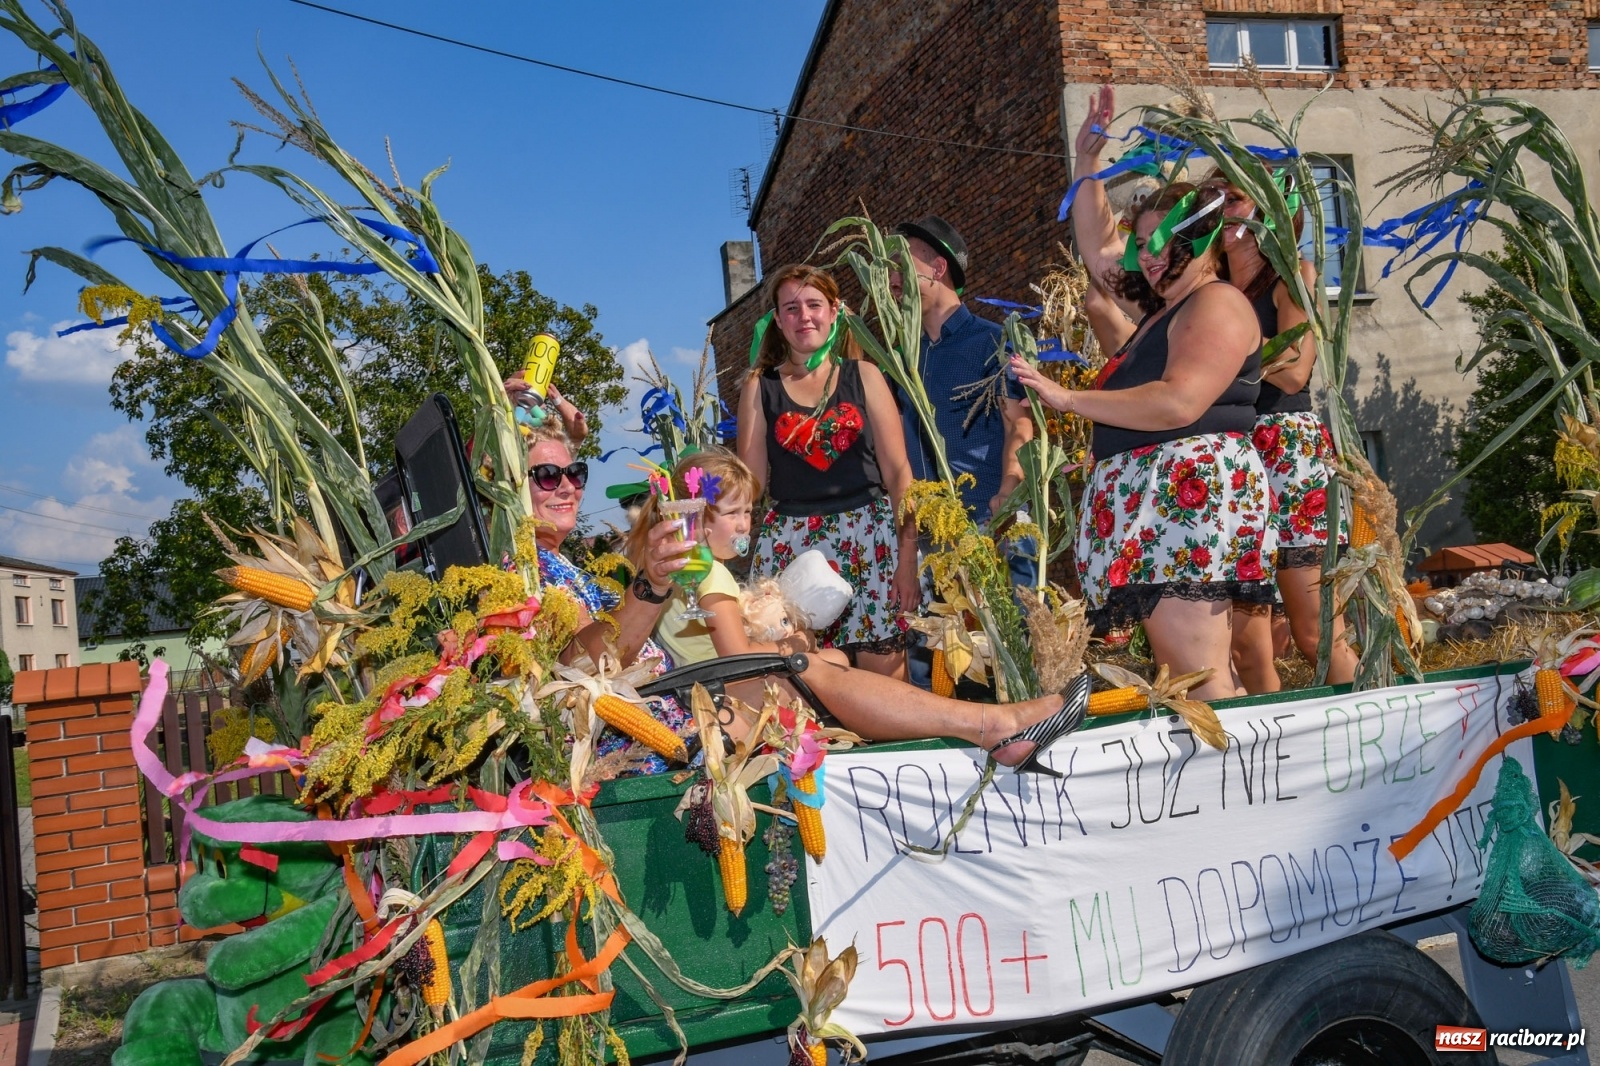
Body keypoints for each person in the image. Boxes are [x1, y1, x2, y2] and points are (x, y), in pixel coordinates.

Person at [531, 426, 1089, 774]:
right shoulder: (692, 575)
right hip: (690, 703)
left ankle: (992, 725)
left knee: (820, 663)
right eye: (547, 475)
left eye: (575, 471)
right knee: (811, 667)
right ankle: (992, 725)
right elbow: (587, 669)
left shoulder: (584, 570)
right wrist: (793, 649)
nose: (568, 484)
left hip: (687, 694)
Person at [1011, 181, 1277, 702]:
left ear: (1198, 236)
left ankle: (1237, 757)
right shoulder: (1161, 311)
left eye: (1160, 243)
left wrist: (1069, 399)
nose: (1146, 257)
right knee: (1188, 676)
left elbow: (1179, 402)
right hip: (1161, 505)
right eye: (1140, 245)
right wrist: (1088, 162)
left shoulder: (1216, 302)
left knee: (1199, 677)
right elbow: (1098, 253)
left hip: (1186, 502)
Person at [1206, 174, 1358, 688]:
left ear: (1270, 210)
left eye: (1233, 199)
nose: (1219, 210)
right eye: (1211, 201)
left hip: (1286, 450)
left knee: (1316, 634)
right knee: (1249, 647)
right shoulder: (1208, 289)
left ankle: (1379, 725)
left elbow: (1294, 369)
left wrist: (1213, 360)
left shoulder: (1293, 274)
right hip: (1230, 453)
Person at [737, 264, 916, 679]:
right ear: (778, 320)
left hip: (870, 542)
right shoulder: (759, 387)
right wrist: (707, 499)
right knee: (799, 680)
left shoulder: (866, 376)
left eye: (814, 305)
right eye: (792, 308)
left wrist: (907, 559)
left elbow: (899, 474)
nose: (804, 316)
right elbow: (750, 486)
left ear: (834, 311)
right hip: (791, 548)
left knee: (886, 685)